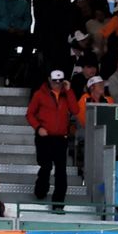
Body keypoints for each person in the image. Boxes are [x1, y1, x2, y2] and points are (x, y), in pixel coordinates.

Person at [26, 69, 79, 209]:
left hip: (61, 138)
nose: (57, 84)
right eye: (55, 81)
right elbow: (30, 114)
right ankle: (40, 191)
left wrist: (69, 91)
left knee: (61, 171)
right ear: (49, 79)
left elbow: (75, 110)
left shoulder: (66, 94)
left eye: (60, 81)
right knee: (46, 166)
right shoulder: (39, 94)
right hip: (44, 137)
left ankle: (58, 202)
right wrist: (38, 128)